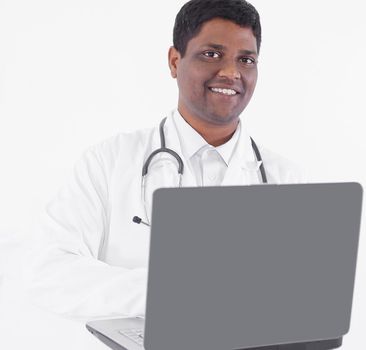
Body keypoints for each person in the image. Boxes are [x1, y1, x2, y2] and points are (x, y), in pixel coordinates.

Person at [24, 0, 303, 320]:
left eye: (246, 59)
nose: (231, 72)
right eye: (212, 54)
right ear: (174, 61)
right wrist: (168, 291)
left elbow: (303, 301)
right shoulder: (111, 162)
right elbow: (49, 271)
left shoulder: (286, 179)